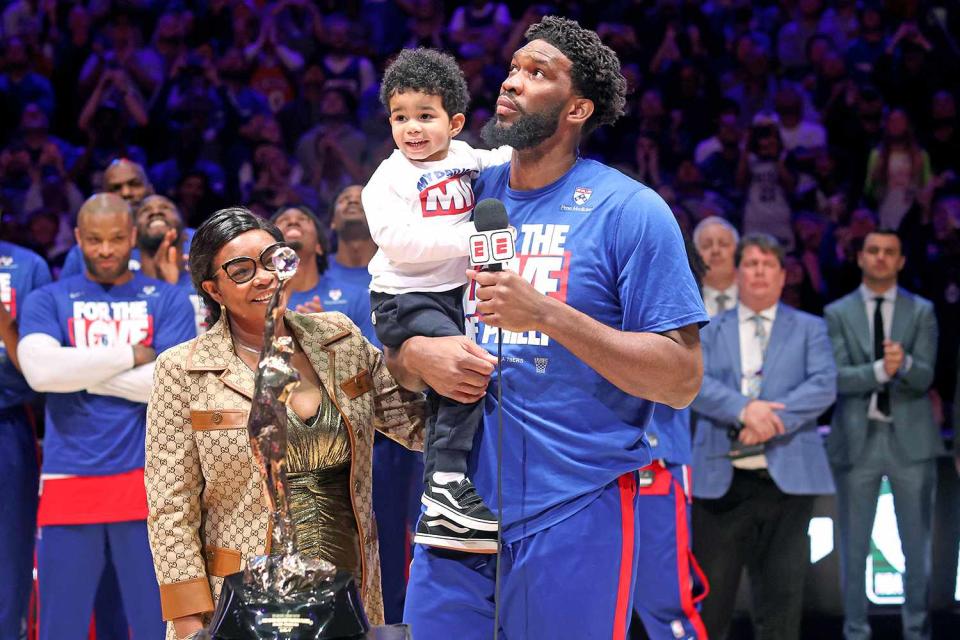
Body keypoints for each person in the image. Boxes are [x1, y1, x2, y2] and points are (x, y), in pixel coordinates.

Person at [401, 16, 706, 639]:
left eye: (539, 73)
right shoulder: (459, 193)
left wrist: (545, 314)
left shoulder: (632, 211)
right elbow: (399, 321)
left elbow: (682, 378)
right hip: (455, 508)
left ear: (578, 108)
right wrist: (416, 354)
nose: (512, 82)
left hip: (574, 503)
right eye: (514, 68)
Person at [144, 207, 454, 638]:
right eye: (241, 270)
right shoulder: (182, 370)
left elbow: (413, 423)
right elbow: (170, 509)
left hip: (350, 591)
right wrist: (188, 619)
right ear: (213, 289)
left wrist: (449, 364)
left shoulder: (339, 338)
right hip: (240, 601)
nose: (265, 277)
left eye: (274, 259)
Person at [16, 193, 197, 640]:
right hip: (67, 479)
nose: (105, 250)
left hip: (151, 482)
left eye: (117, 238)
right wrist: (131, 355)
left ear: (133, 236)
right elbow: (39, 371)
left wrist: (73, 369)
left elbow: (171, 385)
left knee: (156, 626)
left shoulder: (168, 299)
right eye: (94, 240)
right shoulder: (48, 298)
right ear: (77, 238)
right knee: (62, 626)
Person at [363, 47, 512, 552]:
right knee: (462, 369)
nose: (412, 129)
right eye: (400, 118)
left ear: (454, 122)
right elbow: (400, 243)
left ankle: (447, 486)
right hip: (402, 297)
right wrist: (474, 239)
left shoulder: (465, 158)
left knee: (457, 385)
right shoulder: (387, 179)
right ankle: (445, 483)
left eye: (425, 116)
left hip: (452, 295)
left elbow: (508, 158)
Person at [690, 233, 837, 640]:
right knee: (712, 605)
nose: (758, 271)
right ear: (738, 274)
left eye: (767, 264)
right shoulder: (708, 328)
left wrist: (772, 420)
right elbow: (693, 382)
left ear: (782, 275)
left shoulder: (811, 328)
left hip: (787, 484)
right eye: (751, 264)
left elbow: (824, 384)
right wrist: (743, 410)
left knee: (781, 603)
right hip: (720, 482)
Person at [824, 229, 941, 640]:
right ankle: (855, 631)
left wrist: (903, 363)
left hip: (911, 441)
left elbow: (926, 376)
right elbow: (835, 378)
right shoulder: (837, 312)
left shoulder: (922, 311)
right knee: (854, 547)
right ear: (860, 257)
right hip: (858, 439)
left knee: (916, 546)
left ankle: (917, 630)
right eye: (872, 250)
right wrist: (880, 371)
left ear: (901, 261)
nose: (880, 258)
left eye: (889, 252)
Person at [0, 238, 51, 637]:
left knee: (11, 550)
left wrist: (4, 321)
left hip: (8, 419)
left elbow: (36, 370)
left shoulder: (27, 265)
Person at [60, 158, 157, 277]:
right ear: (104, 197)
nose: (126, 193)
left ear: (150, 190)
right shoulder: (81, 254)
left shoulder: (181, 240)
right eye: (116, 188)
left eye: (134, 184)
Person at [694, 216, 740, 317]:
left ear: (737, 251)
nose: (715, 251)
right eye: (706, 246)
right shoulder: (687, 302)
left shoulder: (755, 296)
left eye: (723, 244)